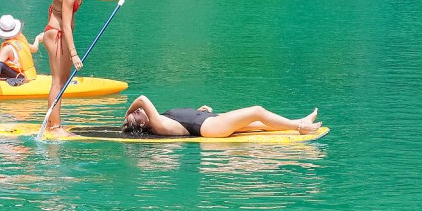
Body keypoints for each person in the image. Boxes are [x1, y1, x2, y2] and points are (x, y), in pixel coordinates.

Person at [43, 0, 131, 133]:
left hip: (63, 35)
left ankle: (53, 122)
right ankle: (54, 126)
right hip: (56, 35)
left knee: (63, 81)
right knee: (57, 82)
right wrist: (74, 54)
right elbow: (66, 25)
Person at [121, 95, 322, 137]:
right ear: (143, 124)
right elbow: (141, 98)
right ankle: (300, 128)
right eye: (137, 115)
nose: (139, 111)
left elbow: (184, 120)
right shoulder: (156, 125)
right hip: (210, 128)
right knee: (256, 111)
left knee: (258, 123)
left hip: (209, 120)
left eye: (136, 112)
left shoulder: (160, 117)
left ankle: (298, 121)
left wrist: (199, 110)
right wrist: (127, 113)